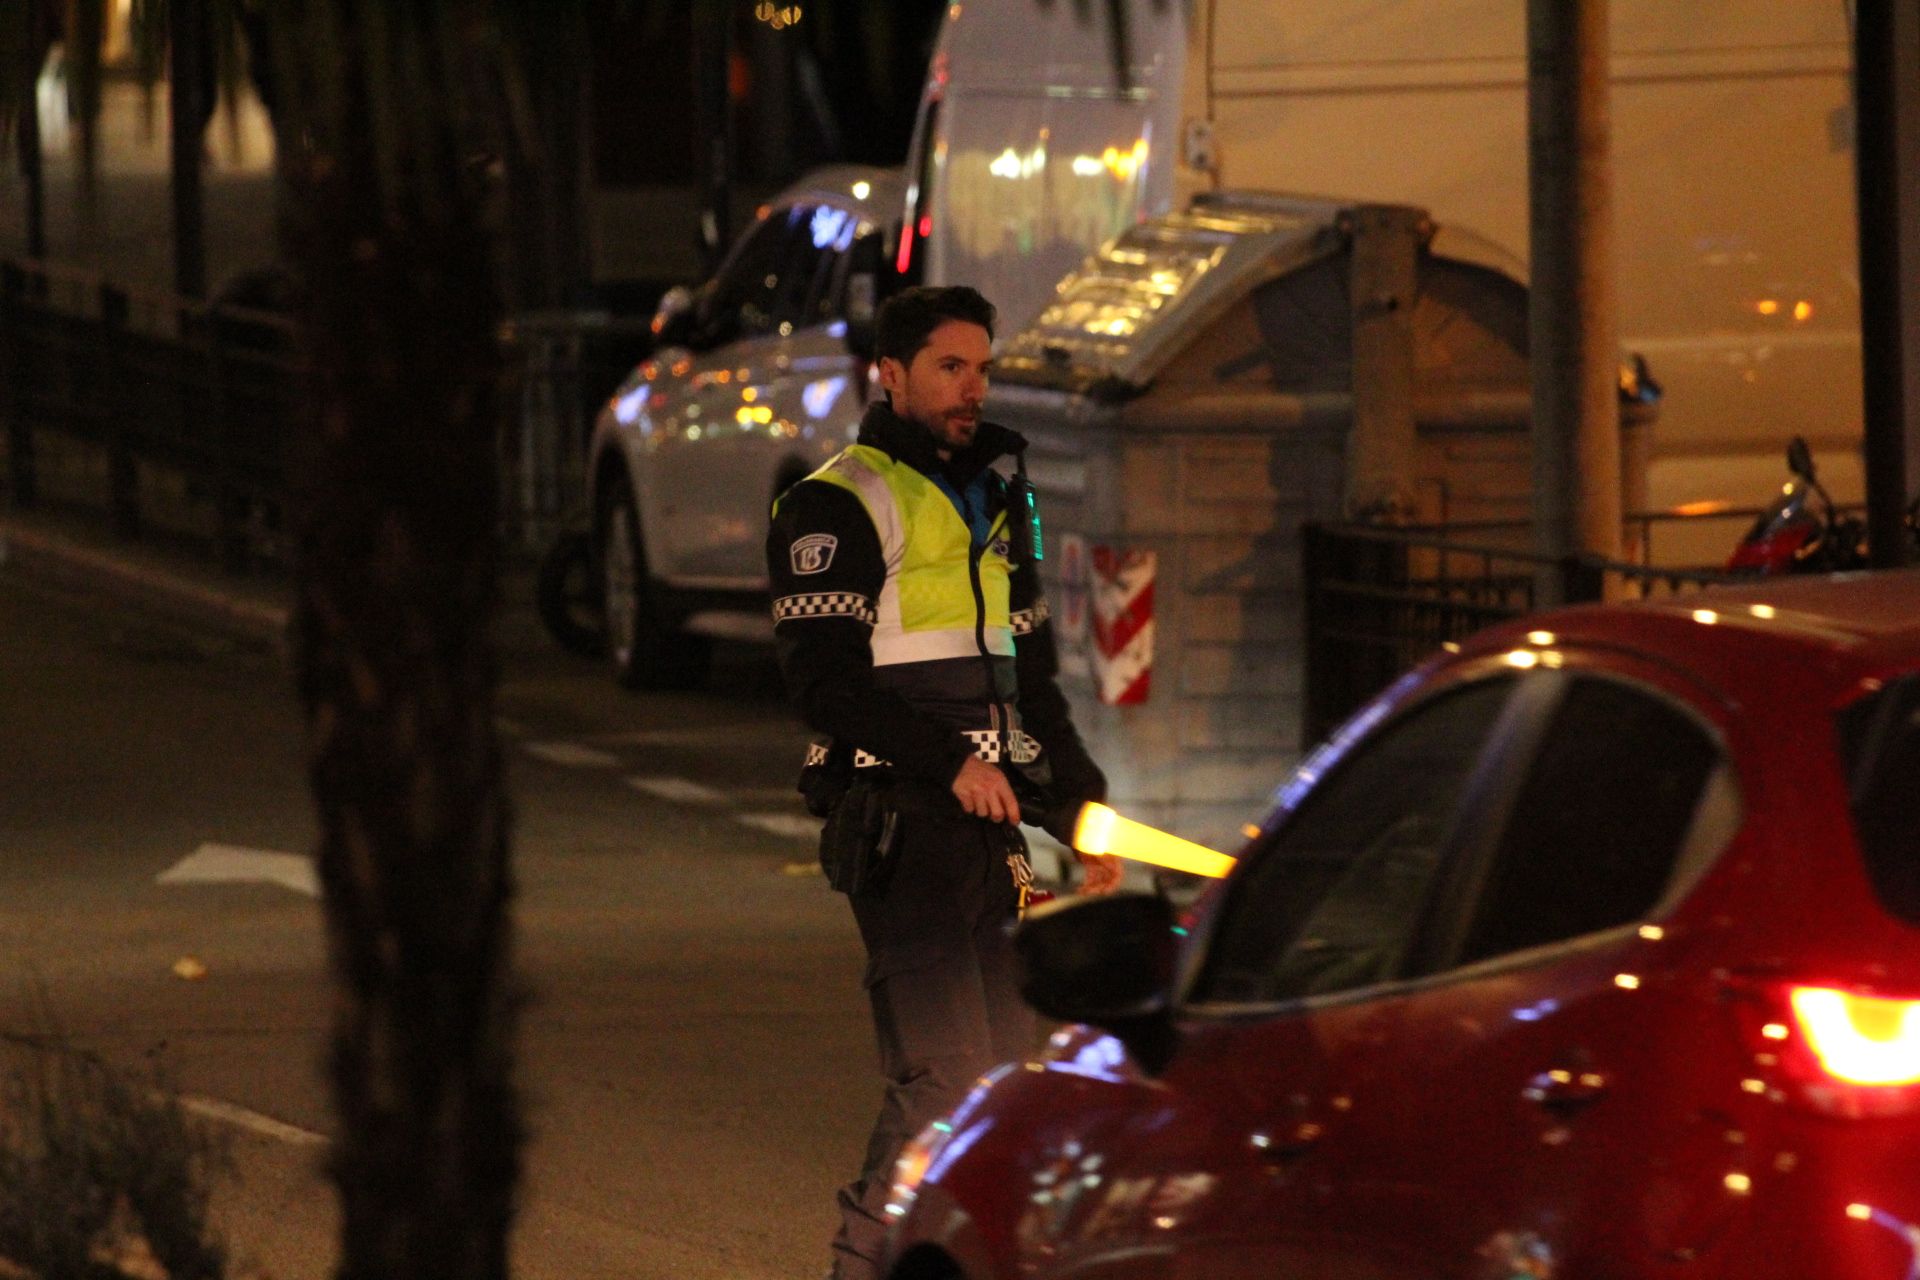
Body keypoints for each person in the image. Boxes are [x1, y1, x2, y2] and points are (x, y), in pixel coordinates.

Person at [766, 285, 1121, 1280]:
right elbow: (824, 685)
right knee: (943, 1077)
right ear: (891, 373)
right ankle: (860, 1264)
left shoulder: (1001, 498)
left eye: (984, 366)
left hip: (991, 830)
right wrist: (951, 761)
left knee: (1007, 1086)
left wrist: (1081, 801)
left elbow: (1031, 677)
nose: (974, 386)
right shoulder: (834, 500)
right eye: (950, 367)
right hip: (901, 822)